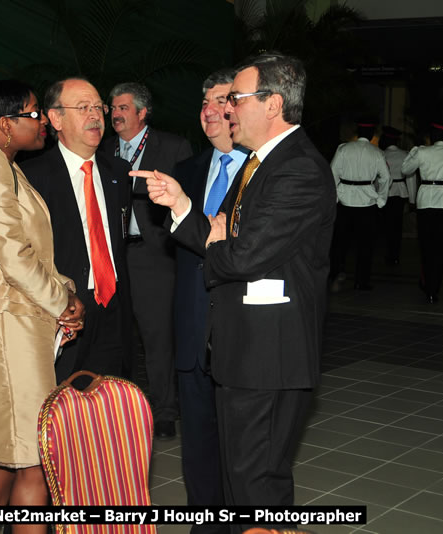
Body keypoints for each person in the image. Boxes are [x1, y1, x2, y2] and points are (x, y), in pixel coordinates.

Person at [133, 53, 335, 529]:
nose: (227, 109)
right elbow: (224, 239)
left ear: (273, 104)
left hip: (269, 356)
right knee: (240, 482)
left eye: (237, 99)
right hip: (243, 351)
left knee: (257, 488)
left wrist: (223, 242)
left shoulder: (297, 169)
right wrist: (183, 207)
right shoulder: (260, 164)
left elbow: (240, 258)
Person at [0, 80, 84, 534]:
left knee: (4, 456)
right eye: (33, 113)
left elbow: (32, 252)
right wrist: (63, 302)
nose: (42, 120)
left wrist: (66, 292)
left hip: (19, 321)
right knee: (31, 458)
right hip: (6, 328)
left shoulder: (3, 163)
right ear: (5, 124)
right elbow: (14, 256)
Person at [172, 68, 247, 533]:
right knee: (197, 445)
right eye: (204, 102)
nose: (209, 110)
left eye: (221, 100)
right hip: (192, 327)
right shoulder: (186, 172)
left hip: (241, 331)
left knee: (242, 449)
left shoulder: (263, 170)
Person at [21, 78, 132, 384]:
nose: (95, 116)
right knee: (62, 401)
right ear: (55, 119)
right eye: (83, 108)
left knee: (109, 400)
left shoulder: (118, 172)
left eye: (98, 107)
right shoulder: (31, 178)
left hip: (113, 307)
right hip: (63, 311)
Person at [101, 82, 192, 439]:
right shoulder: (103, 149)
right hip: (113, 255)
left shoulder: (172, 147)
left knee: (157, 336)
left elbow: (187, 201)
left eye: (123, 107)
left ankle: (165, 409)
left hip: (153, 255)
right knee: (116, 335)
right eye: (113, 108)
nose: (115, 114)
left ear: (142, 112)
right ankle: (120, 406)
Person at [401, 122, 443, 304]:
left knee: (426, 246)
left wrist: (415, 151)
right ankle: (433, 289)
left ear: (432, 137)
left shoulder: (422, 152)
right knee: (440, 248)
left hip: (425, 203)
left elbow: (405, 170)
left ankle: (427, 283)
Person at [329, 121, 390, 290]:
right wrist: (381, 200)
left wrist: (335, 196)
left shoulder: (343, 149)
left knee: (339, 242)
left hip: (345, 202)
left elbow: (332, 173)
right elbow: (386, 177)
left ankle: (336, 273)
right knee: (365, 245)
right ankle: (361, 281)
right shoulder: (377, 152)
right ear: (371, 135)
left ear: (358, 133)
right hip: (367, 204)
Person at [379, 126, 416, 265]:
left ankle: (389, 252)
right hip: (400, 192)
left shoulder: (381, 154)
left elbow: (377, 178)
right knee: (397, 224)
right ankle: (395, 254)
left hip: (385, 193)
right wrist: (412, 199)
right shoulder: (405, 155)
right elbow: (411, 179)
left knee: (387, 225)